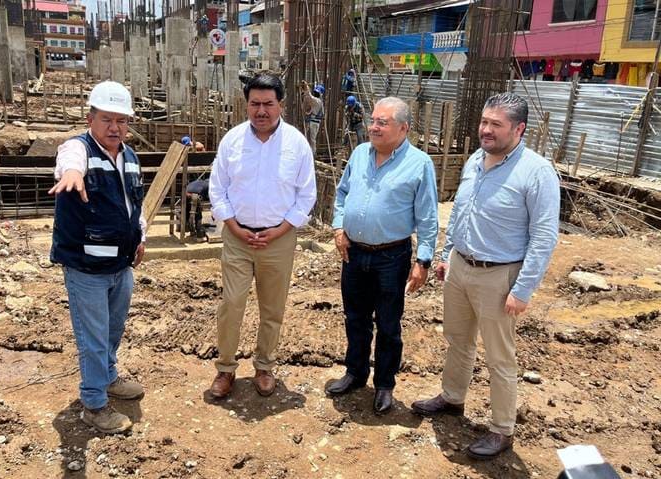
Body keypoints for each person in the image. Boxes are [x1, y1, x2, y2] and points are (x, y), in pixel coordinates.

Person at [410, 92, 560, 460]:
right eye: (484, 122)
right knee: (457, 339)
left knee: (499, 357)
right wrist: (448, 255)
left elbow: (544, 236)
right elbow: (463, 213)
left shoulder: (536, 172)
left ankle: (501, 429)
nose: (486, 130)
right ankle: (452, 397)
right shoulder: (476, 159)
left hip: (500, 275)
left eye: (496, 124)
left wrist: (522, 289)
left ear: (519, 129)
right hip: (461, 266)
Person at [327, 97, 438, 415]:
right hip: (353, 252)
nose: (373, 127)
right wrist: (338, 228)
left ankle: (385, 385)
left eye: (382, 122)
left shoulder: (419, 164)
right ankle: (355, 373)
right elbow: (343, 193)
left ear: (403, 128)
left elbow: (428, 217)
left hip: (392, 257)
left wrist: (423, 261)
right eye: (372, 120)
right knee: (355, 318)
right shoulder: (360, 154)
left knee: (388, 324)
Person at [208, 72, 316, 398]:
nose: (261, 111)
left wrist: (279, 230)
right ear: (246, 105)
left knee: (273, 308)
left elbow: (306, 196)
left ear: (281, 105)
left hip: (279, 240)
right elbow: (218, 189)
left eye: (268, 104)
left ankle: (264, 365)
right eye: (255, 103)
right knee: (232, 303)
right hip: (237, 237)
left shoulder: (296, 144)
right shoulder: (232, 141)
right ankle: (225, 369)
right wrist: (234, 227)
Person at [48, 81, 147, 435]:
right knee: (92, 337)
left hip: (121, 265)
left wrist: (142, 236)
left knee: (113, 330)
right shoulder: (77, 148)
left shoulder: (130, 157)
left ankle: (107, 377)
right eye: (107, 119)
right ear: (91, 117)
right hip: (86, 268)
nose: (115, 128)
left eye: (121, 120)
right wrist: (73, 174)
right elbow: (69, 163)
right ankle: (94, 403)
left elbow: (136, 205)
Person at [301, 81, 324, 155]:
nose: (315, 93)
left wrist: (306, 86)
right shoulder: (318, 101)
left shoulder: (317, 101)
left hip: (314, 122)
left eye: (317, 92)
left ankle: (313, 154)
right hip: (314, 121)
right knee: (310, 137)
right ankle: (309, 152)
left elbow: (309, 96)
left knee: (312, 139)